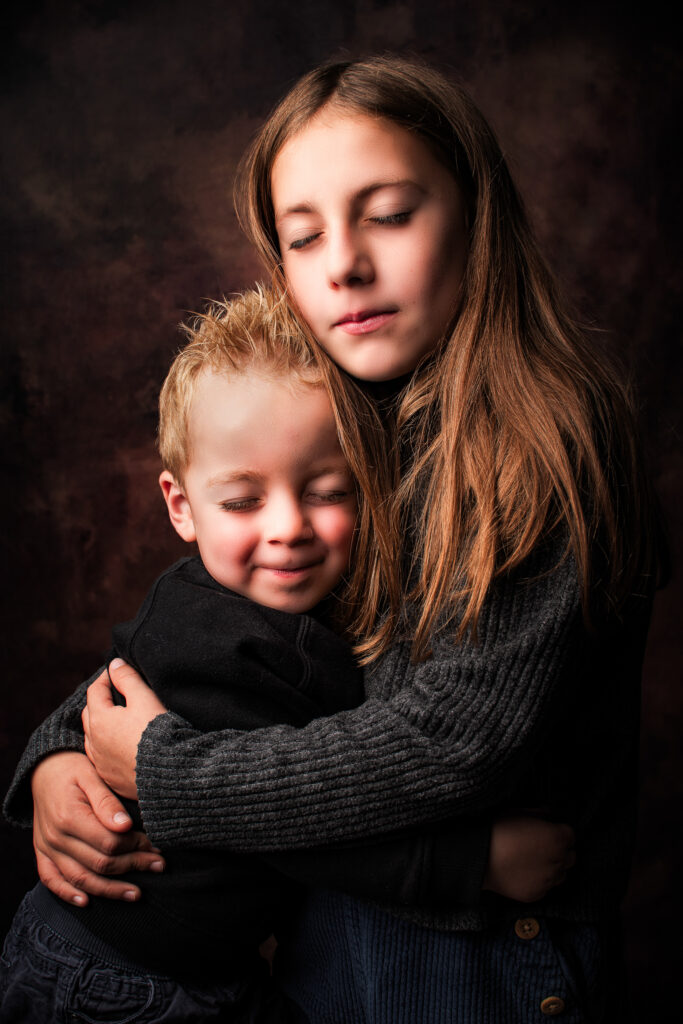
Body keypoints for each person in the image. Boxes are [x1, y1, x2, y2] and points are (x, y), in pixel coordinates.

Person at [5, 55, 663, 1022]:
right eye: (302, 237)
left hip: (481, 953)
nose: (344, 264)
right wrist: (62, 753)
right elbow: (215, 640)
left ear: (475, 214)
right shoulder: (342, 414)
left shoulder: (546, 440)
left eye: (389, 214)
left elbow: (445, 746)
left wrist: (156, 770)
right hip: (330, 928)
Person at [1, 287, 572, 1023]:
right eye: (241, 502)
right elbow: (285, 832)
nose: (288, 528)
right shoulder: (215, 635)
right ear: (180, 506)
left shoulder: (268, 601)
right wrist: (470, 864)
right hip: (120, 981)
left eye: (328, 491)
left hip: (200, 967)